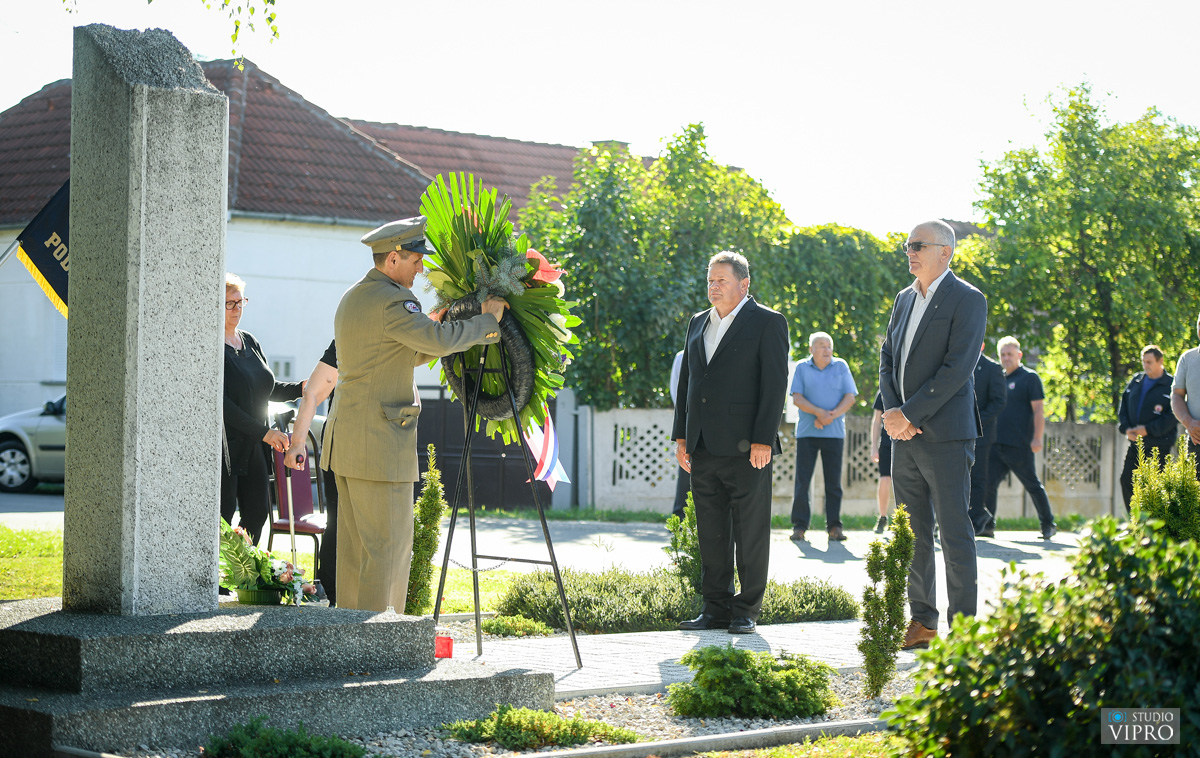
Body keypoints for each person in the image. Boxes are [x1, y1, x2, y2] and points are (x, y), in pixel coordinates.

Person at [321, 216, 507, 613]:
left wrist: (439, 330)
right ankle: (380, 643)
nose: (420, 267)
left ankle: (349, 642)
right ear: (392, 258)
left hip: (349, 439)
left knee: (355, 552)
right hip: (379, 443)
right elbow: (434, 340)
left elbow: (405, 352)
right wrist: (487, 322)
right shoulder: (392, 299)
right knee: (387, 551)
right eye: (415, 259)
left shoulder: (355, 296)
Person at [879, 220, 986, 651]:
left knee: (955, 532)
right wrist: (893, 414)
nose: (910, 251)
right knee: (912, 534)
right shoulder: (904, 298)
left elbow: (958, 368)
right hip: (903, 436)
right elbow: (888, 356)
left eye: (918, 245)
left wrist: (909, 412)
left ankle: (964, 632)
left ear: (945, 251)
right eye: (907, 245)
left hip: (945, 435)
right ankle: (922, 622)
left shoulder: (968, 299)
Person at [673, 251, 789, 635]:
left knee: (750, 530)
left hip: (747, 449)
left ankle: (746, 610)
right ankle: (715, 607)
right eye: (710, 280)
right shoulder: (696, 323)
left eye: (721, 280)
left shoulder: (768, 322)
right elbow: (687, 383)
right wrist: (682, 436)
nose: (713, 286)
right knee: (711, 531)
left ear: (744, 284)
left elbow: (774, 387)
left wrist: (763, 440)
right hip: (703, 445)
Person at [221, 273, 303, 547]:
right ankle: (215, 580)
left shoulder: (250, 341)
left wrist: (302, 388)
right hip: (225, 448)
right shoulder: (210, 346)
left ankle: (242, 573)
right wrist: (266, 433)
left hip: (255, 444)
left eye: (240, 302)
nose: (237, 310)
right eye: (229, 304)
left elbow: (266, 388)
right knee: (221, 515)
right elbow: (222, 406)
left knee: (257, 514)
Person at [985, 337, 1057, 540]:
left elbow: (1038, 411)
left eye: (1010, 354)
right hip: (995, 443)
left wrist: (1037, 438)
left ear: (1019, 355)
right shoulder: (997, 378)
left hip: (1019, 444)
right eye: (1003, 355)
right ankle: (987, 526)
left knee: (1032, 484)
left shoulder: (1029, 378)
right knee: (988, 484)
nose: (1006, 358)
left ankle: (1048, 524)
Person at [285, 339, 340, 605]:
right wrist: (297, 443)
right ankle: (330, 589)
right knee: (340, 522)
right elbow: (313, 393)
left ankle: (335, 590)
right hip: (341, 444)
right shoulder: (347, 335)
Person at [788, 332, 857, 542]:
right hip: (807, 432)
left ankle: (834, 527)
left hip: (834, 433)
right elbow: (797, 398)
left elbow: (850, 397)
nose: (826, 349)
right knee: (802, 481)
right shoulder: (801, 367)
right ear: (811, 349)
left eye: (829, 345)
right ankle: (799, 526)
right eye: (821, 345)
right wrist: (819, 413)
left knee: (833, 483)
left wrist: (830, 416)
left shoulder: (841, 366)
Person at [1117, 345, 1176, 510]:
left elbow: (1173, 416)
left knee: (1155, 487)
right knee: (1127, 480)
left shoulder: (1171, 385)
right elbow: (1124, 408)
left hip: (1159, 446)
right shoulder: (1136, 381)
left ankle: (1154, 526)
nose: (1146, 365)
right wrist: (1126, 429)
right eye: (1144, 361)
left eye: (1149, 362)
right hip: (1136, 443)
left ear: (1160, 361)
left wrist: (1148, 429)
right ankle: (1135, 522)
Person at [968, 343, 1007, 537]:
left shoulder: (993, 369)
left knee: (979, 478)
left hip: (982, 434)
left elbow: (999, 401)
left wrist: (975, 420)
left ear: (981, 345)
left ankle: (979, 520)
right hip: (959, 433)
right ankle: (974, 516)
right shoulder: (960, 364)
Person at [1170, 310, 1200, 482]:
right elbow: (1177, 395)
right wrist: (1189, 423)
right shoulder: (1188, 359)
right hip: (1197, 442)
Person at [669, 349, 690, 519]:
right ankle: (679, 516)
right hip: (690, 420)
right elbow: (676, 391)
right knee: (686, 469)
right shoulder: (681, 356)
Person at [869, 391, 892, 534]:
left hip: (910, 441)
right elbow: (877, 420)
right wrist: (873, 447)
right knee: (884, 478)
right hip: (887, 443)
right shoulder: (884, 391)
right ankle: (882, 517)